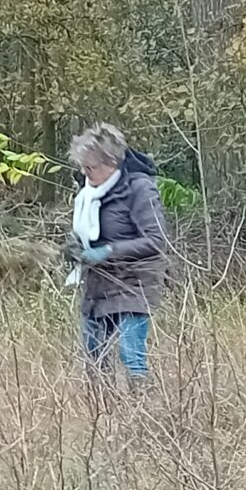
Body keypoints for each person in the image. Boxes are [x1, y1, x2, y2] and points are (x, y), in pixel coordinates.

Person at [62, 123, 168, 378]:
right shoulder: (88, 193)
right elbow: (87, 232)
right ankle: (101, 403)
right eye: (82, 167)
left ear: (111, 162)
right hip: (97, 285)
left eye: (90, 167)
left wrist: (108, 251)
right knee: (94, 358)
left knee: (131, 358)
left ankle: (140, 400)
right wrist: (75, 248)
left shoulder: (139, 188)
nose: (84, 173)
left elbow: (157, 240)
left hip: (134, 283)